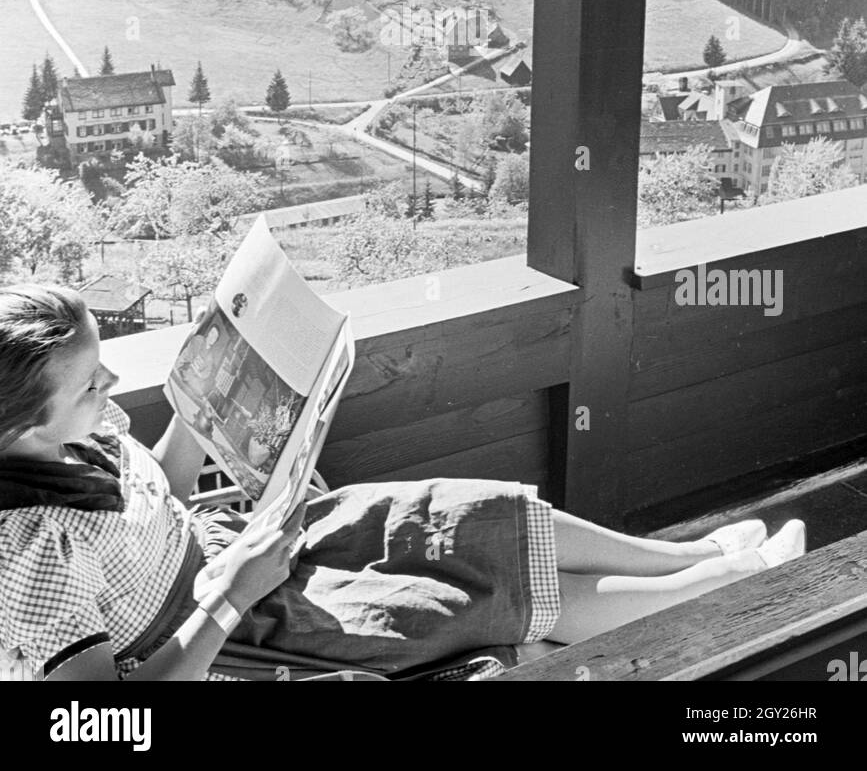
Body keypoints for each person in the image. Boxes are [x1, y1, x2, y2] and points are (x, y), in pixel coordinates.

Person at [0, 285, 807, 683]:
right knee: (444, 594)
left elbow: (161, 501)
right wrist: (234, 595)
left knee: (459, 517)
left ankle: (691, 558)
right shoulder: (30, 554)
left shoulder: (86, 431)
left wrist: (211, 392)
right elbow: (103, 720)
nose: (110, 380)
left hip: (231, 555)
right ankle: (726, 583)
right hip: (227, 636)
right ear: (22, 426)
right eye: (88, 382)